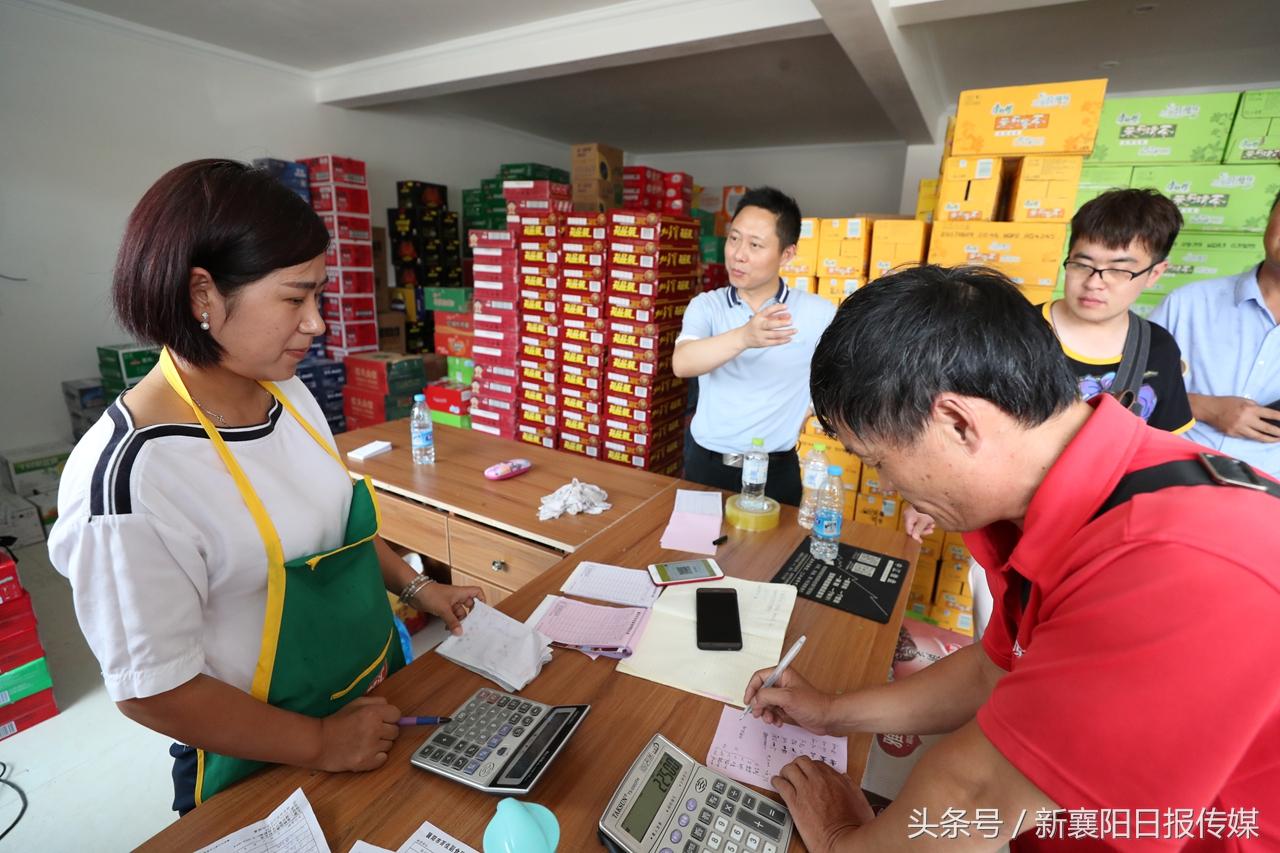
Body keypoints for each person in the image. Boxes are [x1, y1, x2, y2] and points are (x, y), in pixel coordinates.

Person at [744, 265, 1280, 851]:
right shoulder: (1078, 494)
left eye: (877, 462)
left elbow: (974, 795)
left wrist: (839, 839)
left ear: (956, 422)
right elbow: (992, 669)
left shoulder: (1182, 562)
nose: (889, 486)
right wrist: (830, 713)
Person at [48, 160, 482, 814]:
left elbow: (336, 526)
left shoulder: (291, 392)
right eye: (294, 297)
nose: (318, 324)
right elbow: (152, 689)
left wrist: (420, 587)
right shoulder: (132, 480)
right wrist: (318, 742)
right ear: (203, 294)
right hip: (258, 754)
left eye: (321, 296)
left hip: (370, 704)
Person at [902, 188, 1195, 542]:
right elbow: (953, 422)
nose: (1094, 282)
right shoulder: (1012, 330)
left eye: (1118, 270)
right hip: (1005, 526)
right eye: (1083, 264)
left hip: (1099, 533)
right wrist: (927, 492)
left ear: (1154, 273)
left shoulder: (1158, 349)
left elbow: (1161, 451)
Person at [673, 187, 836, 505]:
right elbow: (683, 363)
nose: (738, 254)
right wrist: (745, 337)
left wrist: (814, 407)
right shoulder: (707, 306)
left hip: (775, 473)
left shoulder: (819, 313)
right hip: (705, 467)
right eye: (734, 239)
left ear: (786, 254)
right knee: (691, 553)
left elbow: (846, 377)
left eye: (755, 245)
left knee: (775, 556)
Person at [1149, 190, 1280, 477]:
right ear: (1270, 217)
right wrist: (1204, 407)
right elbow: (1130, 390)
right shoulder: (1188, 302)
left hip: (1269, 505)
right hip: (1168, 481)